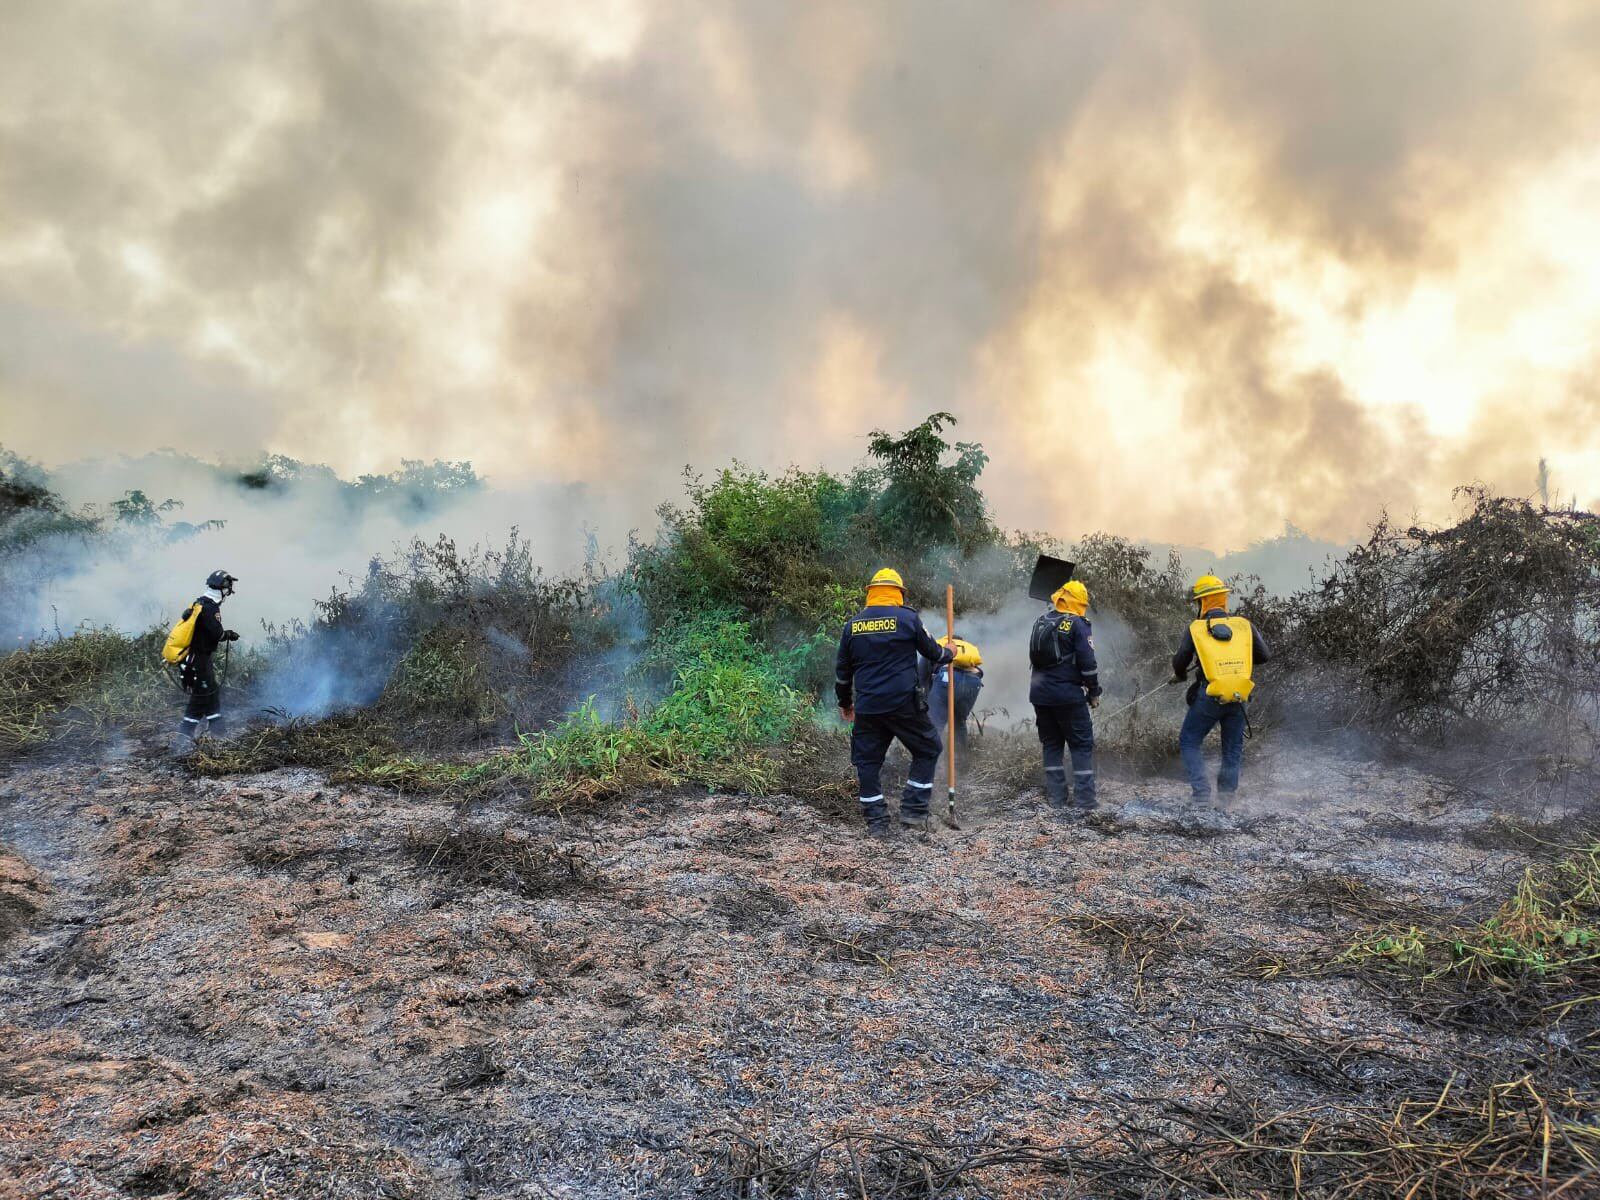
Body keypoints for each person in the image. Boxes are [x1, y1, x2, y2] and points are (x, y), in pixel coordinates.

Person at [835, 568, 955, 834]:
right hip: (904, 705)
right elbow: (933, 653)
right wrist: (950, 652)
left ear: (871, 593)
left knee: (867, 763)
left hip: (868, 707)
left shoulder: (852, 626)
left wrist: (845, 703)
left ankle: (877, 823)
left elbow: (843, 674)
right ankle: (912, 812)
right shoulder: (907, 618)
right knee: (928, 749)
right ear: (898, 593)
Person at [1171, 574, 1270, 805]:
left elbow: (1180, 660)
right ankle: (1226, 797)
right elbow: (1264, 656)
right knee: (1232, 747)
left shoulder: (1196, 628)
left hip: (1210, 695)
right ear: (1223, 599)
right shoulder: (1244, 625)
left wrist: (1180, 674)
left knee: (1189, 740)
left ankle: (1201, 794)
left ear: (1202, 602)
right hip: (1239, 696)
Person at [1028, 580, 1100, 813]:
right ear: (1078, 603)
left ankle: (1057, 799)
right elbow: (1088, 663)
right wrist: (1094, 691)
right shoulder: (1078, 623)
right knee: (1081, 745)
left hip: (1040, 694)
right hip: (1068, 695)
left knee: (1051, 745)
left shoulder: (1041, 620)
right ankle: (1085, 801)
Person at [175, 570, 241, 743]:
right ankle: (184, 735)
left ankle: (218, 731)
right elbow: (217, 634)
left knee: (211, 690)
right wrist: (228, 635)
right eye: (228, 589)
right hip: (198, 660)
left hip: (192, 658)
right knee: (201, 696)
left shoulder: (199, 603)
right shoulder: (211, 608)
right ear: (223, 589)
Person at [921, 634, 983, 750]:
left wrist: (924, 702)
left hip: (947, 678)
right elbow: (980, 672)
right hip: (973, 682)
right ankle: (960, 757)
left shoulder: (937, 646)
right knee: (959, 722)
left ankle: (931, 756)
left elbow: (921, 678)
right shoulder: (967, 650)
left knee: (935, 723)